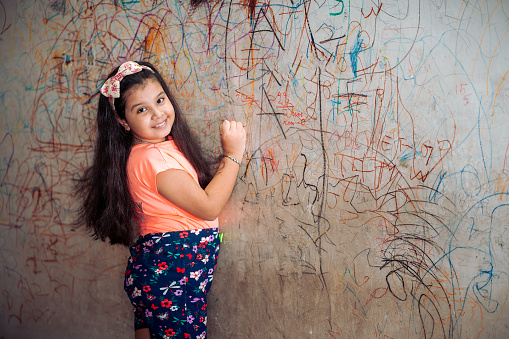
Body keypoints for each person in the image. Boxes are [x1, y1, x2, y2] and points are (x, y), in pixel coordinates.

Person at [74, 60, 246, 339]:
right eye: (141, 109)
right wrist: (232, 155)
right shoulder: (156, 160)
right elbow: (208, 206)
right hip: (173, 273)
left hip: (157, 270)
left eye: (160, 100)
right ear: (122, 121)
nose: (158, 114)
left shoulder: (150, 151)